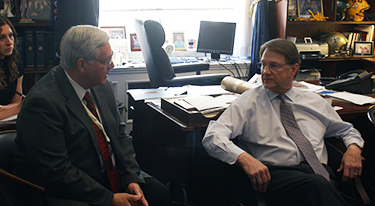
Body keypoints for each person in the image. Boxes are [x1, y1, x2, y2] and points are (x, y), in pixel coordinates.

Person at [14, 25, 171, 206]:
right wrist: (109, 199)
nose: (111, 65)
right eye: (106, 60)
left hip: (110, 172)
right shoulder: (43, 103)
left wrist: (131, 178)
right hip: (70, 187)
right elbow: (56, 171)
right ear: (81, 65)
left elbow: (120, 135)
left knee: (160, 195)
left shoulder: (101, 84)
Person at [202, 38, 364, 206]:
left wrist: (353, 149)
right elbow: (213, 136)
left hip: (319, 172)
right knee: (318, 186)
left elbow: (346, 131)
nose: (265, 72)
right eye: (263, 65)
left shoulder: (313, 101)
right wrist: (243, 157)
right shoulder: (248, 102)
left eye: (274, 66)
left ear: (293, 70)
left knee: (321, 184)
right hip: (274, 176)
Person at [0, 14, 23, 121]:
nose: (9, 42)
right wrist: (19, 108)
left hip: (9, 120)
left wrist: (4, 109)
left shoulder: (16, 62)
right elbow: (18, 106)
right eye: (2, 37)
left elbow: (16, 102)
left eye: (11, 35)